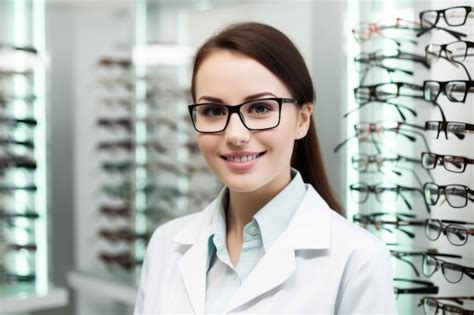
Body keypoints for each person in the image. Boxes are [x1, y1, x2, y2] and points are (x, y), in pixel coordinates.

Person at [134, 22, 397, 314]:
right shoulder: (165, 245)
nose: (235, 134)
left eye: (260, 108)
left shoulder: (357, 259)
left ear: (302, 120)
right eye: (214, 111)